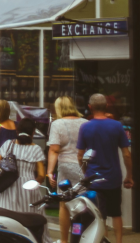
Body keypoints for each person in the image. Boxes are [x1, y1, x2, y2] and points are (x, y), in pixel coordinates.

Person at [78, 93, 133, 243]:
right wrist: (129, 175)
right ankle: (119, 241)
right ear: (107, 106)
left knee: (99, 214)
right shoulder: (116, 125)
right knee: (116, 213)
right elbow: (126, 154)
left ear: (90, 107)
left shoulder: (85, 127)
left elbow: (80, 155)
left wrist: (85, 173)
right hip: (113, 177)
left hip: (93, 178)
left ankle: (104, 239)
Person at [47, 96, 88, 243]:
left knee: (64, 204)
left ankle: (65, 240)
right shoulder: (85, 123)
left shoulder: (57, 124)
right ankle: (80, 236)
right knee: (83, 203)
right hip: (83, 166)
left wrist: (50, 171)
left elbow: (54, 149)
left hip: (65, 166)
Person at [0, 118, 45, 213]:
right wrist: (34, 184)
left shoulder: (8, 144)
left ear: (17, 131)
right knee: (30, 219)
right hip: (29, 189)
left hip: (7, 187)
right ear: (33, 132)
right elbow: (41, 175)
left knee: (8, 218)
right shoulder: (36, 149)